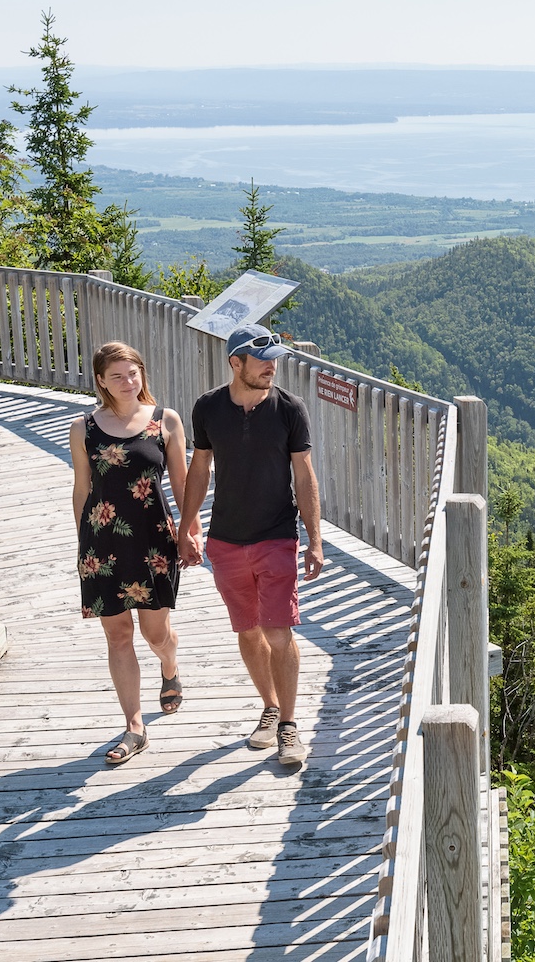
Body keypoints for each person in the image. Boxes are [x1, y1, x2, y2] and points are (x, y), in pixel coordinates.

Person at [179, 324, 324, 768]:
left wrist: (314, 539)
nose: (271, 367)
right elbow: (199, 468)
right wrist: (188, 525)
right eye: (262, 360)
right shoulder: (208, 408)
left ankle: (289, 727)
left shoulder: (289, 409)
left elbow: (304, 475)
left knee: (278, 631)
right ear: (235, 363)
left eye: (275, 359)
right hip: (225, 539)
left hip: (277, 536)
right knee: (247, 630)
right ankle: (270, 706)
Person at [69, 341, 187, 765]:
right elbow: (82, 489)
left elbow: (183, 486)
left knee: (156, 634)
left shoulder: (166, 421)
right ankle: (134, 727)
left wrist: (190, 532)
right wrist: (83, 546)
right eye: (116, 375)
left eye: (132, 373)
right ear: (101, 381)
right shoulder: (85, 428)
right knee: (118, 635)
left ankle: (169, 667)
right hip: (102, 545)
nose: (126, 381)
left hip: (153, 542)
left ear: (142, 374)